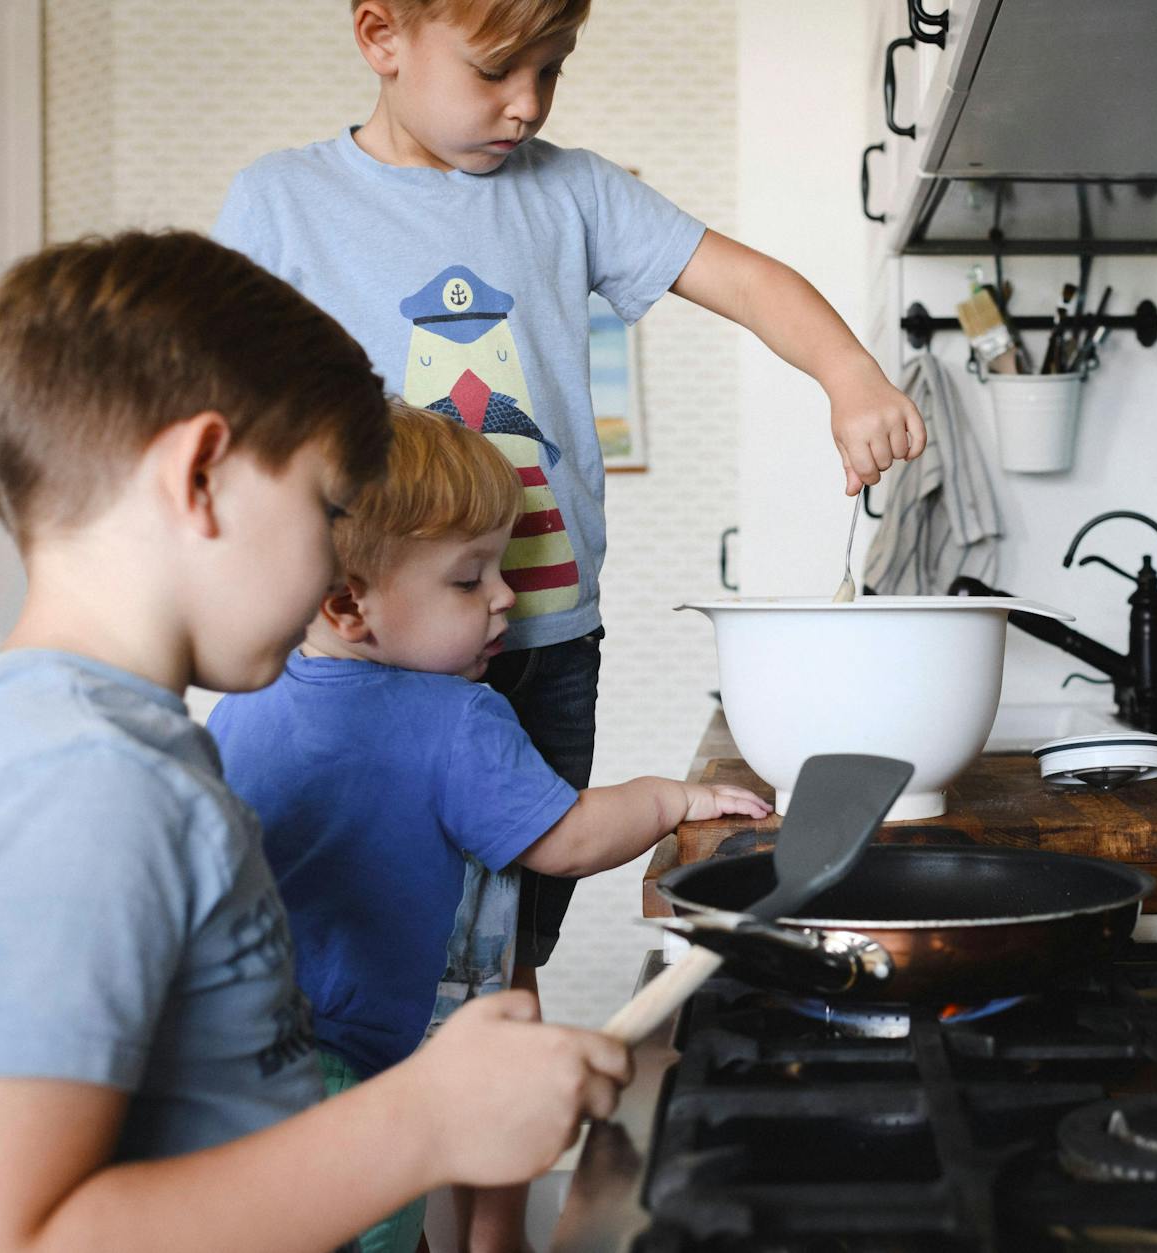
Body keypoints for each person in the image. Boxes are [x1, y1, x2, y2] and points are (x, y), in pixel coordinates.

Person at [0, 231, 632, 1253]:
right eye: (329, 507)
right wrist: (422, 1119)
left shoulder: (78, 737)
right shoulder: (78, 785)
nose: (336, 566)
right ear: (199, 474)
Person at [211, 0, 923, 1008]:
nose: (528, 104)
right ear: (382, 40)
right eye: (497, 71)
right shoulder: (282, 200)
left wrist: (847, 373)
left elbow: (748, 282)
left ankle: (493, 1150)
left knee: (505, 951)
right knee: (339, 938)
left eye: (553, 70)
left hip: (539, 636)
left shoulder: (575, 192)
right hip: (350, 650)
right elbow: (217, 412)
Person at [207, 402, 767, 1253]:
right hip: (365, 1065)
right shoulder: (458, 715)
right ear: (348, 603)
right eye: (470, 580)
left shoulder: (240, 704)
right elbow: (566, 838)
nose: (506, 597)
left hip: (237, 1066)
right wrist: (669, 798)